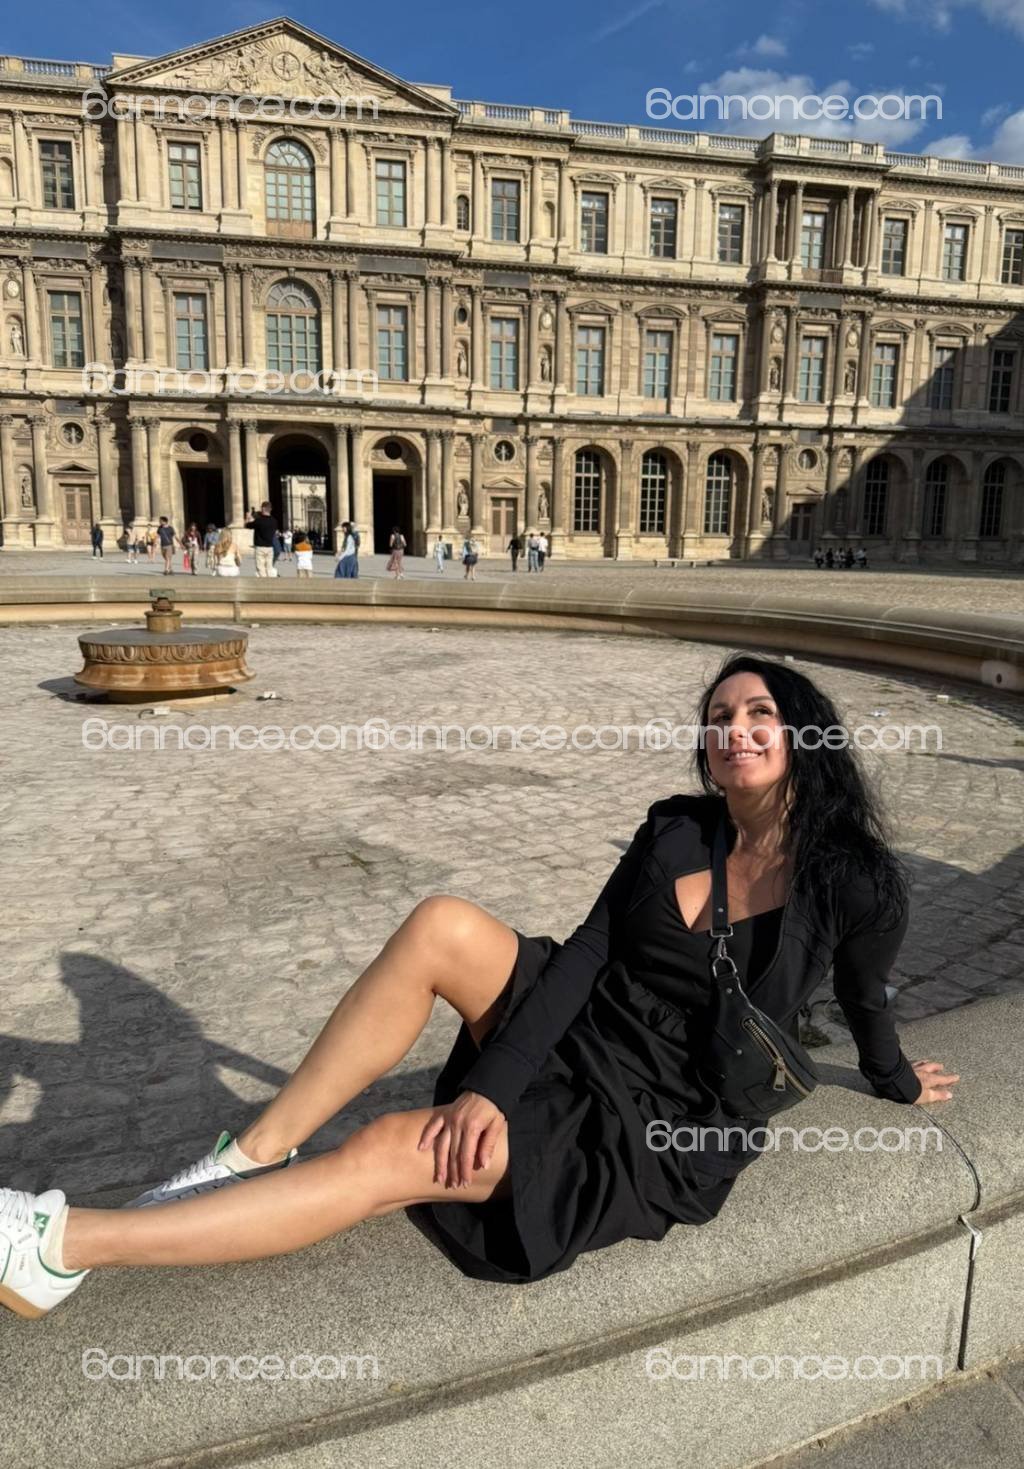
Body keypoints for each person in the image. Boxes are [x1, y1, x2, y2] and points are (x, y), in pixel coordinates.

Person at [0, 653, 959, 1319]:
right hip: (597, 1023)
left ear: (802, 733)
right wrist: (495, 1084)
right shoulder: (676, 827)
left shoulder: (856, 880)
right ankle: (249, 1154)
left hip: (664, 1113)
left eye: (758, 715)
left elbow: (865, 999)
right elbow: (586, 954)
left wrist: (896, 1077)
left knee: (389, 1146)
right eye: (719, 718)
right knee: (442, 924)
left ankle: (63, 1245)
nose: (734, 731)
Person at [247, 503, 278, 578]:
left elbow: (247, 525)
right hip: (270, 547)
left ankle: (263, 583)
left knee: (261, 569)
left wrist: (248, 518)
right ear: (270, 509)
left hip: (260, 547)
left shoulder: (259, 521)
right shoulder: (274, 521)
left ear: (263, 508)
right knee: (269, 568)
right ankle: (270, 582)